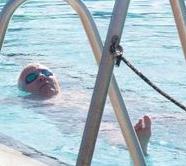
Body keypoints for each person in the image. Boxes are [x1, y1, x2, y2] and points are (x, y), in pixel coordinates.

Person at [18, 62, 152, 153]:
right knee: (101, 128)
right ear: (24, 90)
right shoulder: (28, 102)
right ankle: (134, 145)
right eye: (32, 77)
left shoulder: (79, 92)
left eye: (46, 73)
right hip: (77, 122)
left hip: (109, 114)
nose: (41, 77)